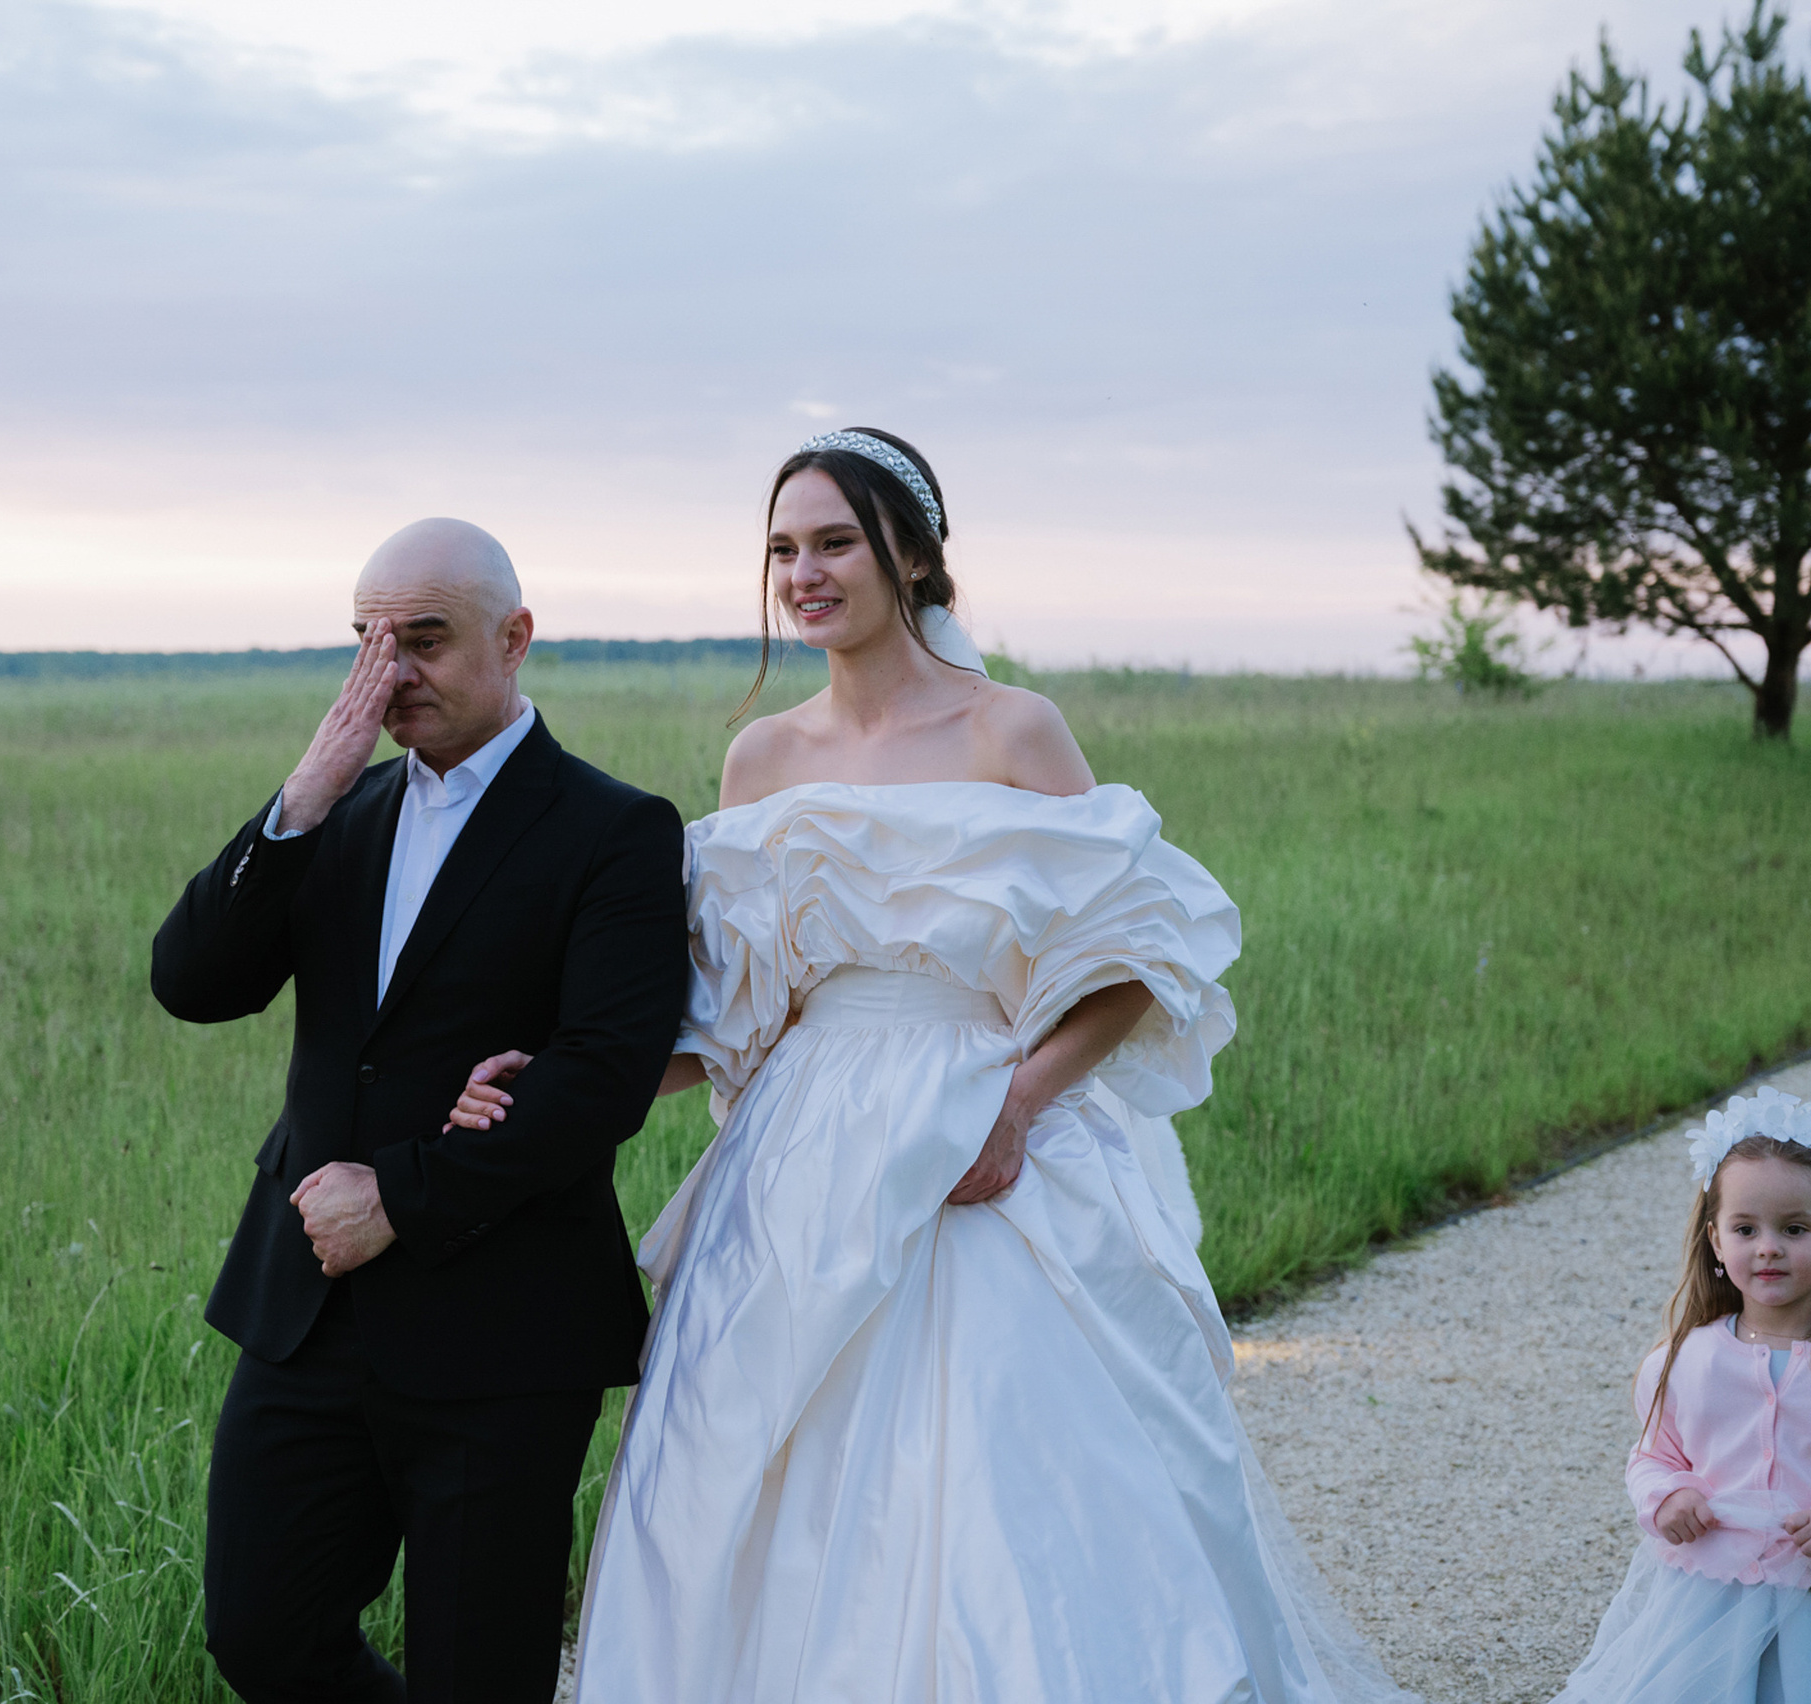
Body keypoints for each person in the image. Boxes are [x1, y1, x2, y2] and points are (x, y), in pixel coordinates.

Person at [446, 431, 1417, 1703]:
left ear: (909, 552)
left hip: (989, 1136)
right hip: (798, 1158)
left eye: (834, 542)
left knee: (1000, 1476)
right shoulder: (763, 758)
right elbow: (733, 1011)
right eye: (782, 549)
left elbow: (1137, 957)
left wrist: (1013, 1105)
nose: (803, 573)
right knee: (746, 1481)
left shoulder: (1012, 730)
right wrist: (559, 1077)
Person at [150, 518, 690, 1704]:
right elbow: (190, 985)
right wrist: (300, 796)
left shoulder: (616, 832)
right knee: (263, 1636)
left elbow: (602, 1077)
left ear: (516, 638)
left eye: (425, 640)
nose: (389, 674)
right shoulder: (336, 815)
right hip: (308, 1309)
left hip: (500, 1332)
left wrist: (397, 1195)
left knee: (478, 1674)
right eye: (366, 642)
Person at [1551, 1087, 1811, 1704]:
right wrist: (1666, 1496)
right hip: (1711, 1604)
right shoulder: (1683, 1362)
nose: (1768, 1246)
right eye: (1746, 1228)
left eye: (1795, 1228)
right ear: (1716, 1241)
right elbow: (1652, 1458)